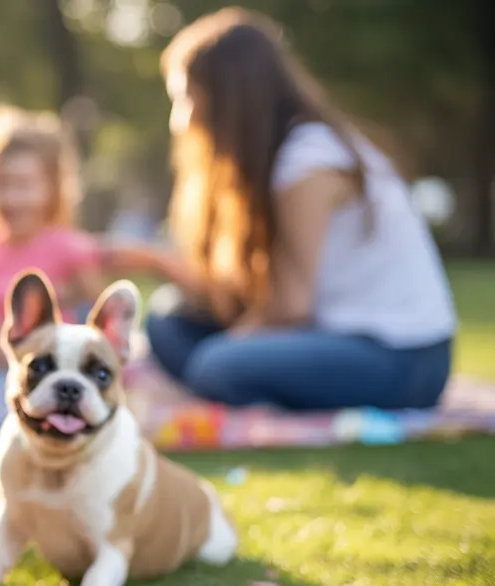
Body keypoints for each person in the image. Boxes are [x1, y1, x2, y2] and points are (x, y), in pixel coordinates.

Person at [112, 8, 457, 411]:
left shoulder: (309, 162)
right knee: (168, 321)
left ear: (229, 98)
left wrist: (231, 344)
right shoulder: (276, 161)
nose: (180, 121)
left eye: (187, 99)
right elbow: (249, 293)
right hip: (331, 333)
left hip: (402, 357)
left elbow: (292, 306)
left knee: (215, 363)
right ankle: (233, 384)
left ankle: (224, 384)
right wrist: (156, 263)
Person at [0, 104, 104, 440]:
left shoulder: (69, 247)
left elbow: (98, 318)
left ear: (53, 187)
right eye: (0, 184)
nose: (10, 197)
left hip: (60, 383)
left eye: (24, 185)